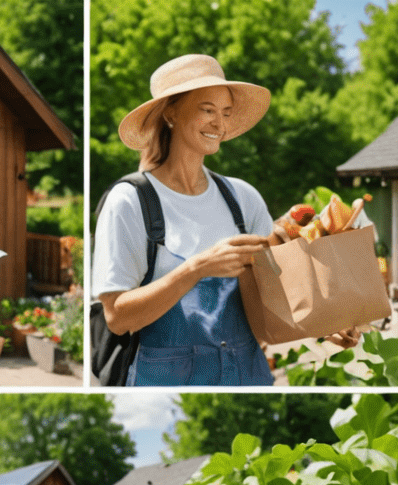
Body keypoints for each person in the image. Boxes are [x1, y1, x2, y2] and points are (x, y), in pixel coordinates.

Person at [93, 53, 359, 386]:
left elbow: (266, 318)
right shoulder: (130, 201)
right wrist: (198, 267)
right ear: (171, 113)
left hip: (247, 379)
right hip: (164, 384)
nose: (219, 124)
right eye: (207, 110)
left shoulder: (242, 198)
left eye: (226, 113)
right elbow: (117, 317)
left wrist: (323, 324)